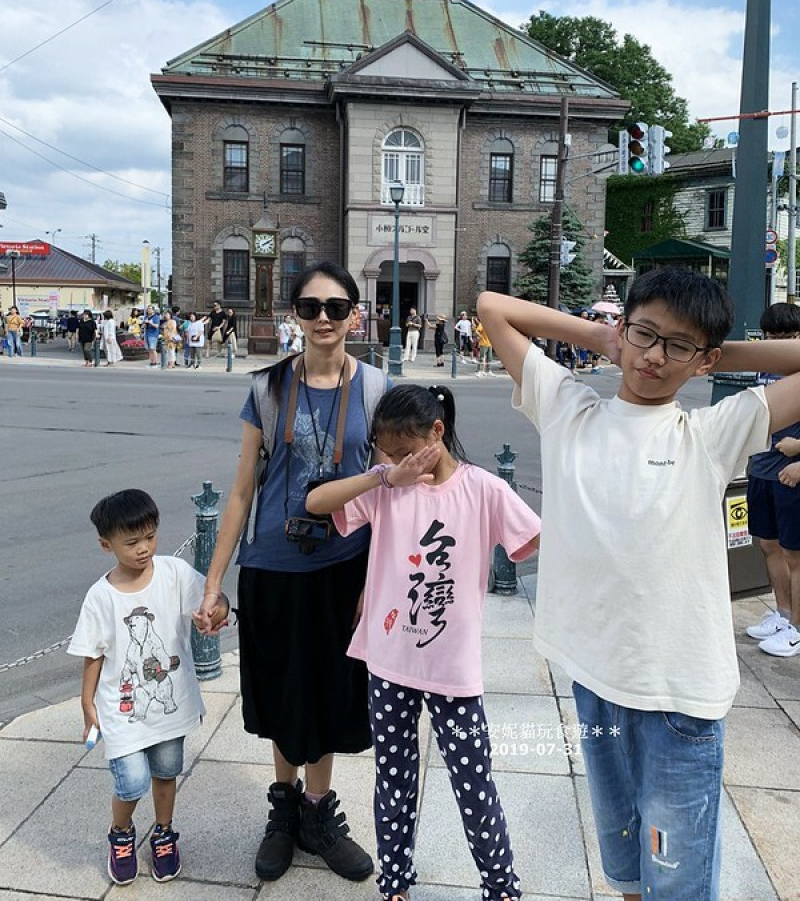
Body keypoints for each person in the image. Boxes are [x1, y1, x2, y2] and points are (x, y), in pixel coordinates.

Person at [477, 268, 800, 901]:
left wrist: (707, 357)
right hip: (595, 680)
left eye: (677, 345)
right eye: (645, 334)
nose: (654, 356)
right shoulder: (568, 407)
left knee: (675, 878)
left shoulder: (710, 433)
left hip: (677, 695)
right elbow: (492, 306)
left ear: (702, 359)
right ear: (623, 327)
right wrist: (612, 340)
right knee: (625, 857)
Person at [193, 262, 389, 886]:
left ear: (355, 314)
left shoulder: (377, 388)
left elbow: (388, 495)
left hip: (343, 566)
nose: (324, 318)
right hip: (273, 565)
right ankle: (283, 810)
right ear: (294, 316)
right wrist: (213, 580)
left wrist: (374, 581)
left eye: (336, 307)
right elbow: (242, 490)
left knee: (331, 689)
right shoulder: (267, 388)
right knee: (281, 689)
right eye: (310, 307)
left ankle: (317, 812)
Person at [306, 384, 539, 901]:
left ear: (437, 432)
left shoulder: (482, 489)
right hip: (388, 665)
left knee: (474, 785)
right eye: (386, 451)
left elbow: (533, 539)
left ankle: (501, 888)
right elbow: (317, 502)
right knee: (393, 782)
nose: (397, 461)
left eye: (404, 450)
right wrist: (385, 474)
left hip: (454, 672)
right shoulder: (389, 484)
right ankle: (395, 885)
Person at [67, 489, 229, 886]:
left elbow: (213, 598)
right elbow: (93, 653)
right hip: (123, 710)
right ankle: (121, 834)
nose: (144, 549)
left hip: (168, 706)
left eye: (150, 537)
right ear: (107, 545)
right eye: (132, 542)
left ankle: (164, 832)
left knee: (166, 770)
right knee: (132, 780)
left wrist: (216, 611)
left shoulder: (172, 573)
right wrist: (88, 704)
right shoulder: (100, 597)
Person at [744, 302, 800, 657]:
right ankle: (784, 615)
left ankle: (797, 630)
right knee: (769, 546)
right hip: (761, 469)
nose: (777, 343)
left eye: (787, 337)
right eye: (772, 336)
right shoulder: (762, 365)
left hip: (792, 474)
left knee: (795, 555)